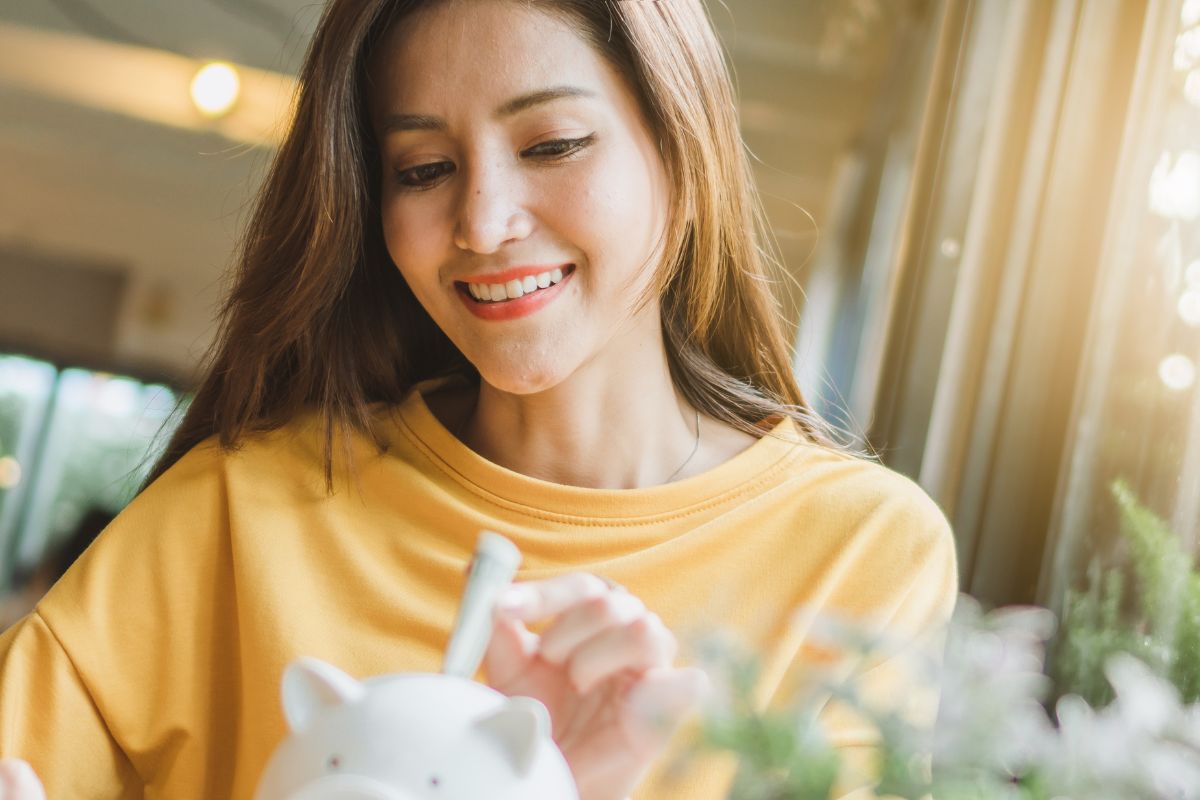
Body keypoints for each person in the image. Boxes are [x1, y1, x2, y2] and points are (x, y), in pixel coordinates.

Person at [0, 0, 959, 798]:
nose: (484, 223)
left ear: (684, 149)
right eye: (423, 169)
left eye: (553, 144)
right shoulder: (235, 513)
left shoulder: (856, 555)